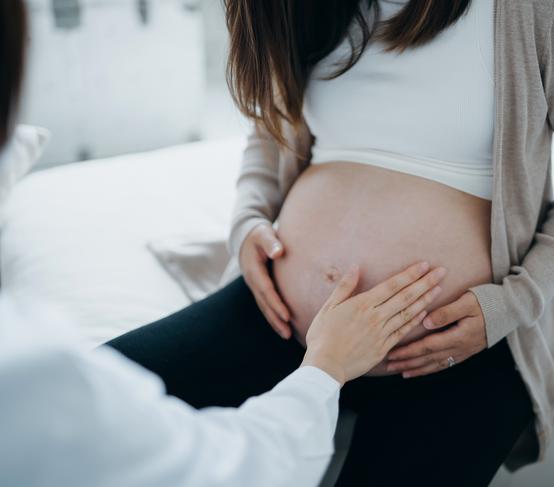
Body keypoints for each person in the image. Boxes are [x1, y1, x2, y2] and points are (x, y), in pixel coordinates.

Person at [107, 0, 554, 485]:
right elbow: (272, 127)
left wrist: (513, 303)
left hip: (456, 349)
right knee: (88, 401)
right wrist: (248, 217)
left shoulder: (539, 9)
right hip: (282, 321)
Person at [0, 2, 448, 486]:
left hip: (443, 346)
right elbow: (237, 469)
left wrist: (506, 305)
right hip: (276, 316)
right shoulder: (33, 372)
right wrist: (326, 366)